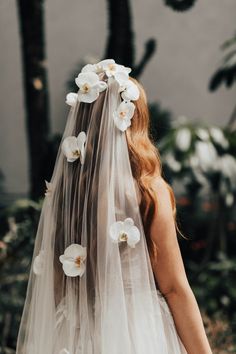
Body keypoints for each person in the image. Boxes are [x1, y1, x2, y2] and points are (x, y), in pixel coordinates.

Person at [16, 59, 212, 354]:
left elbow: (58, 285)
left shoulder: (66, 194)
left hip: (79, 333)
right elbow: (173, 287)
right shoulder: (148, 190)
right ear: (134, 120)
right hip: (138, 334)